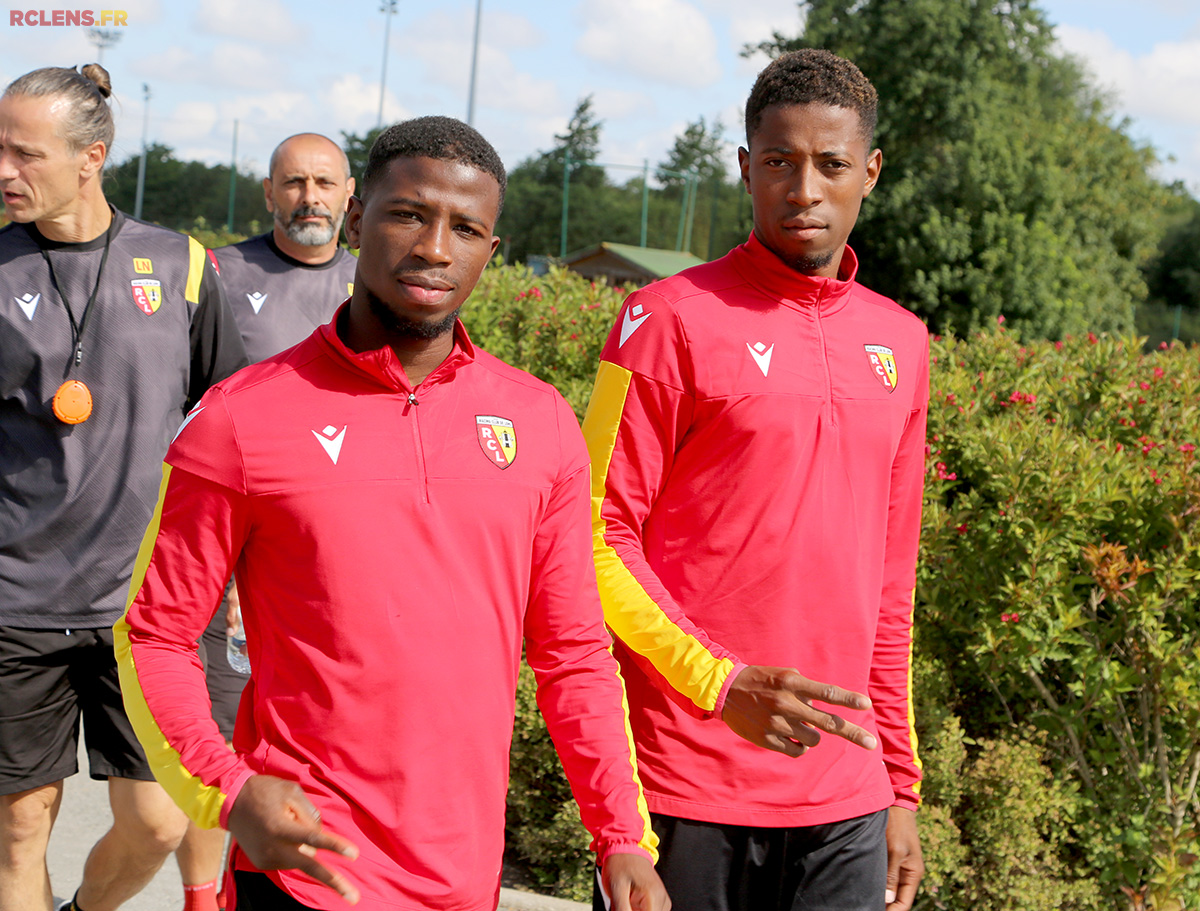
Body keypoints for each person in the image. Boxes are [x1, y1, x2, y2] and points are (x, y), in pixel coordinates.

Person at [115, 116, 669, 911]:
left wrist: (621, 836)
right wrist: (228, 791)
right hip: (299, 881)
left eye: (466, 227)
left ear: (491, 248)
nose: (435, 247)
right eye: (408, 214)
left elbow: (574, 652)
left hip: (463, 882)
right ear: (355, 220)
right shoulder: (240, 417)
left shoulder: (541, 424)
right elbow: (153, 633)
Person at [582, 49, 927, 911]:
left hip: (846, 795)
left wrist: (899, 784)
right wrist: (718, 682)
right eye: (778, 162)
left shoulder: (904, 343)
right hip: (684, 780)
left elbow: (890, 587)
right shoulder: (660, 320)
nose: (803, 188)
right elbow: (590, 538)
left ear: (870, 172)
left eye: (831, 164)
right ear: (745, 168)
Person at [0, 64, 247, 911]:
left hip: (148, 611)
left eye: (24, 153)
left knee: (162, 819)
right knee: (20, 827)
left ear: (91, 156)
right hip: (15, 602)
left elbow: (232, 416)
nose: (4, 170)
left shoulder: (178, 265)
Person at [175, 132, 357, 911]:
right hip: (231, 552)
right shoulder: (219, 274)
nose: (309, 197)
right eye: (294, 182)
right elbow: (182, 418)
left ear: (351, 193)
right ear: (266, 191)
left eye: (324, 182)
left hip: (337, 558)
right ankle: (200, 892)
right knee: (220, 730)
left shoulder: (377, 281)